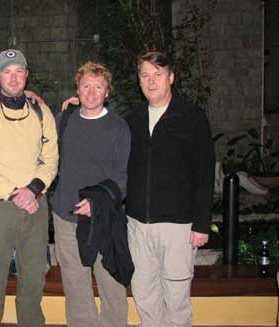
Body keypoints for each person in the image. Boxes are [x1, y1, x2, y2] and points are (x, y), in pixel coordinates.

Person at [125, 51, 215, 327]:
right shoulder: (132, 119)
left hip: (177, 225)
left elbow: (205, 173)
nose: (151, 81)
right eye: (145, 75)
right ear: (139, 80)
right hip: (138, 223)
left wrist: (201, 224)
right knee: (143, 289)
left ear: (171, 77)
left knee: (176, 295)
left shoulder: (192, 117)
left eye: (158, 74)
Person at [0, 49, 58, 327]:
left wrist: (32, 190)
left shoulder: (41, 112)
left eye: (18, 71)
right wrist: (16, 193)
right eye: (6, 71)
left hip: (35, 205)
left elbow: (51, 158)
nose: (13, 77)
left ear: (26, 75)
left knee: (33, 279)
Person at [51, 61, 131, 327]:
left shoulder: (119, 127)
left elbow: (122, 176)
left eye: (99, 87)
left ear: (108, 92)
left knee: (111, 284)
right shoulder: (63, 121)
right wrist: (32, 98)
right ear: (77, 88)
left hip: (103, 219)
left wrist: (97, 203)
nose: (92, 92)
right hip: (66, 218)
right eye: (86, 85)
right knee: (76, 289)